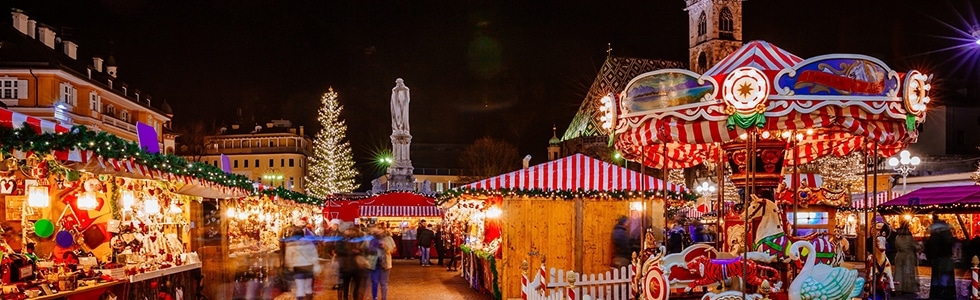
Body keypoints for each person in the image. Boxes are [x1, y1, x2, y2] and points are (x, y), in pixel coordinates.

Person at [925, 215, 956, 300]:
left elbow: (929, 248)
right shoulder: (948, 236)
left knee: (936, 277)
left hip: (937, 259)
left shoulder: (934, 237)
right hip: (946, 258)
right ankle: (947, 293)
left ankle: (936, 294)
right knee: (946, 277)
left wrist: (930, 258)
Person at [283, 227, 318, 300]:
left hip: (298, 267)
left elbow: (289, 257)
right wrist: (316, 264)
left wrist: (290, 266)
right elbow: (314, 255)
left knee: (300, 288)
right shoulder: (309, 243)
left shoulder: (291, 245)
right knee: (308, 287)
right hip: (309, 266)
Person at [336, 227, 368, 300]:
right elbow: (338, 250)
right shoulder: (341, 239)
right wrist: (351, 251)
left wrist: (359, 251)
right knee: (345, 285)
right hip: (345, 266)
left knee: (357, 286)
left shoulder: (359, 238)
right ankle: (345, 298)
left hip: (357, 266)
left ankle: (355, 298)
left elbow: (364, 249)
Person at [367, 224, 396, 300]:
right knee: (374, 281)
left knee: (383, 283)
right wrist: (371, 249)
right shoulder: (370, 239)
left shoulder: (388, 238)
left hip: (385, 263)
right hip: (373, 263)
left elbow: (393, 250)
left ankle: (384, 298)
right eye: (377, 228)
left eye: (380, 229)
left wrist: (385, 247)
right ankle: (374, 297)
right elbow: (364, 249)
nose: (378, 230)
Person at [893, 221, 920, 296]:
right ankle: (907, 288)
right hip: (908, 256)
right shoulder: (909, 237)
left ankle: (898, 287)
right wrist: (921, 246)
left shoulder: (897, 237)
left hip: (899, 256)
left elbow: (896, 246)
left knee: (899, 272)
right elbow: (915, 246)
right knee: (908, 272)